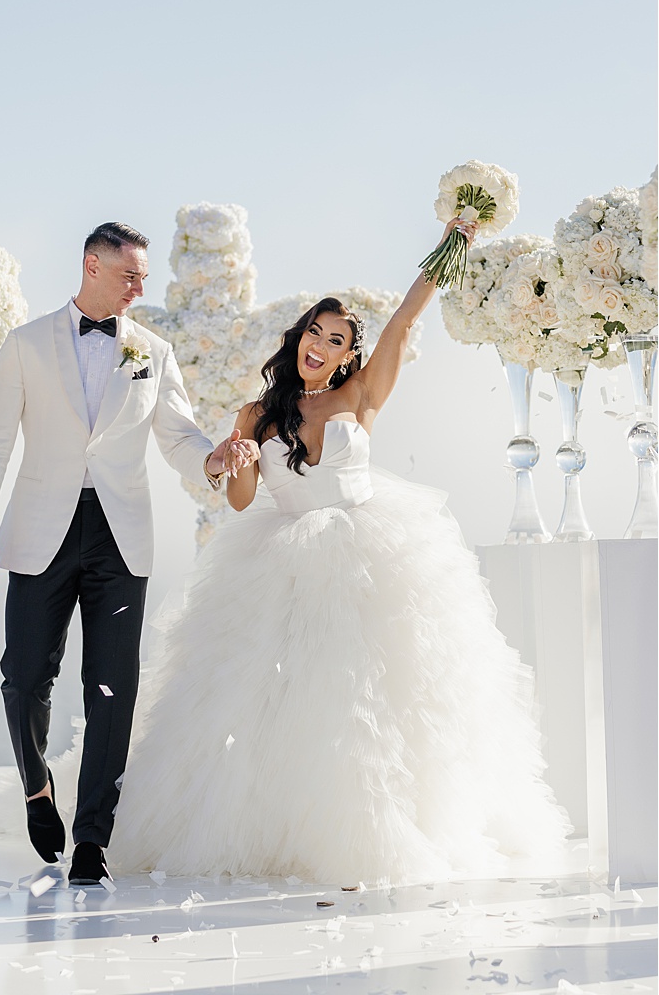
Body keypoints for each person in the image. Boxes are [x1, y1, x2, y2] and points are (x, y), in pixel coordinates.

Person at [107, 216, 571, 885]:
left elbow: (404, 326)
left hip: (367, 552)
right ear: (296, 341)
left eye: (336, 341)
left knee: (371, 696)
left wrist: (451, 249)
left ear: (348, 355)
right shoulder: (256, 415)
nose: (320, 348)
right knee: (267, 699)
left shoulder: (360, 396)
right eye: (314, 335)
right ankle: (277, 826)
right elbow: (239, 501)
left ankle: (377, 826)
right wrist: (237, 456)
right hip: (278, 565)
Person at [0, 223, 256, 887]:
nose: (140, 287)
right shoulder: (25, 345)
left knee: (111, 688)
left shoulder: (152, 349)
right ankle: (37, 786)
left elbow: (177, 434)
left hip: (119, 535)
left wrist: (210, 457)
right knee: (25, 674)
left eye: (144, 276)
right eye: (130, 275)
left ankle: (93, 840)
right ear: (91, 265)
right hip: (41, 528)